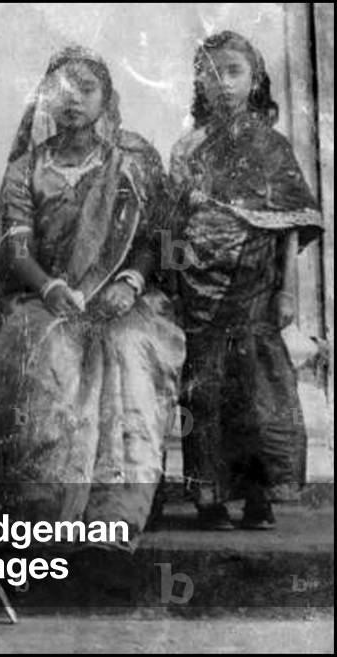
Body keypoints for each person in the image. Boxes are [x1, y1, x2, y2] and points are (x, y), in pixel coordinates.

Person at [0, 46, 185, 547]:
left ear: (106, 100)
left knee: (128, 348)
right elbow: (17, 246)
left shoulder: (130, 162)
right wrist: (49, 287)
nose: (73, 102)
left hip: (125, 299)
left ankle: (114, 512)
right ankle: (48, 512)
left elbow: (155, 239)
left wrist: (129, 284)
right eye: (62, 92)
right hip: (48, 298)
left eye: (86, 90)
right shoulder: (27, 168)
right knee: (51, 350)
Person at [169, 31, 323, 530]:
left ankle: (259, 495)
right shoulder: (188, 149)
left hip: (254, 288)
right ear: (199, 85)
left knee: (258, 396)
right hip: (198, 292)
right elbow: (172, 223)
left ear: (255, 80)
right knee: (205, 394)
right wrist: (174, 285)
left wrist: (285, 291)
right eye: (211, 74)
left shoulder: (272, 148)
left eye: (233, 72)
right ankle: (208, 498)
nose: (223, 84)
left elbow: (290, 225)